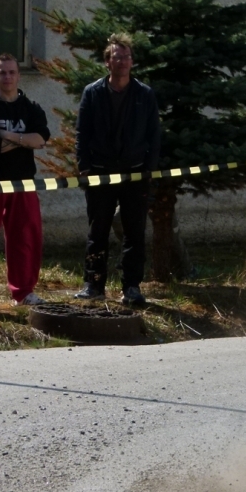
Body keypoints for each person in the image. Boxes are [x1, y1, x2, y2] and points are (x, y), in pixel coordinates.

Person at [74, 33, 160, 306]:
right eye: (116, 57)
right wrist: (84, 167)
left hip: (135, 174)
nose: (121, 61)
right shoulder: (93, 92)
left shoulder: (144, 94)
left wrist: (149, 168)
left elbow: (154, 134)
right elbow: (82, 133)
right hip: (100, 172)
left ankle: (131, 287)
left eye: (126, 56)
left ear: (132, 62)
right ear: (107, 62)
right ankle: (93, 285)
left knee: (134, 232)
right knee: (97, 230)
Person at [0, 53, 50, 306]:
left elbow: (40, 139)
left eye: (11, 72)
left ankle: (23, 292)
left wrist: (5, 135)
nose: (7, 77)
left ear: (19, 75)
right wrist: (24, 140)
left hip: (24, 183)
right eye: (2, 72)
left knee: (25, 237)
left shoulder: (31, 107)